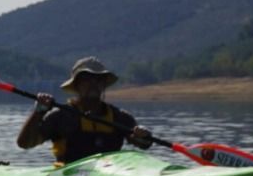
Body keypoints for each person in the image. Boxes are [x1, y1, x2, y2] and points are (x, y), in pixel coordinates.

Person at [17, 56, 153, 165]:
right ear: (76, 85)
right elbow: (24, 143)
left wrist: (143, 136)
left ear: (104, 84)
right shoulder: (60, 117)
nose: (93, 84)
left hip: (109, 174)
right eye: (87, 79)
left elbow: (144, 145)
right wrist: (39, 112)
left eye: (98, 80)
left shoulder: (121, 117)